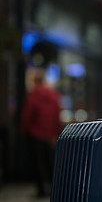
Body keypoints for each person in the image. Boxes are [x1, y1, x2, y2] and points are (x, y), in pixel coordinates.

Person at [21, 69, 62, 197]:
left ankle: (41, 190)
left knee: (38, 165)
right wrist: (56, 134)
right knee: (50, 163)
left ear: (34, 81)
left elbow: (27, 117)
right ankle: (55, 189)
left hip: (35, 135)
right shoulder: (53, 96)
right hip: (49, 135)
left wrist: (24, 131)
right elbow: (57, 116)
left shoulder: (32, 96)